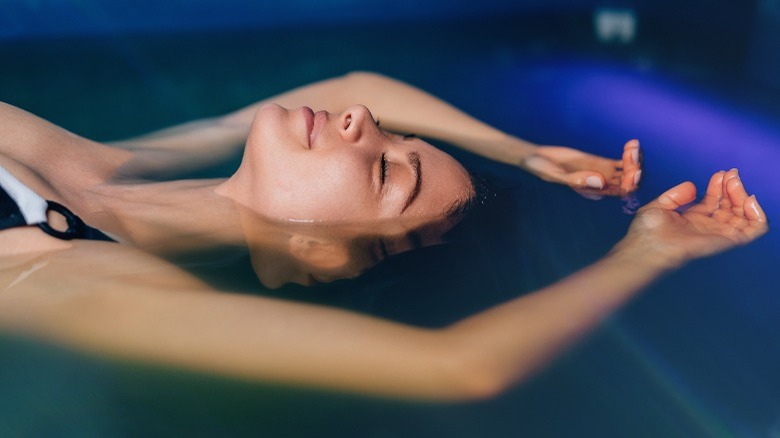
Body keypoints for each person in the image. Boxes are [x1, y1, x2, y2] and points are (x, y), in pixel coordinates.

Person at [0, 72, 767, 400]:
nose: (360, 125)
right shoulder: (113, 166)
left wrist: (648, 252)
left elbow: (459, 365)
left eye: (382, 174)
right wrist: (526, 154)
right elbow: (356, 86)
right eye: (393, 138)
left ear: (318, 257)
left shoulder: (81, 282)